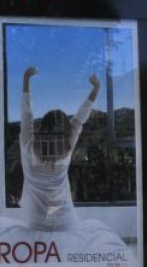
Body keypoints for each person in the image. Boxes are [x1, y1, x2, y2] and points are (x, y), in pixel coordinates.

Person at [20, 67, 100, 233]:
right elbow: (80, 118)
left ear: (41, 128)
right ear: (65, 132)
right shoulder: (66, 148)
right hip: (67, 223)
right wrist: (96, 89)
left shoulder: (28, 146)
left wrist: (26, 79)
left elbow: (26, 113)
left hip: (37, 225)